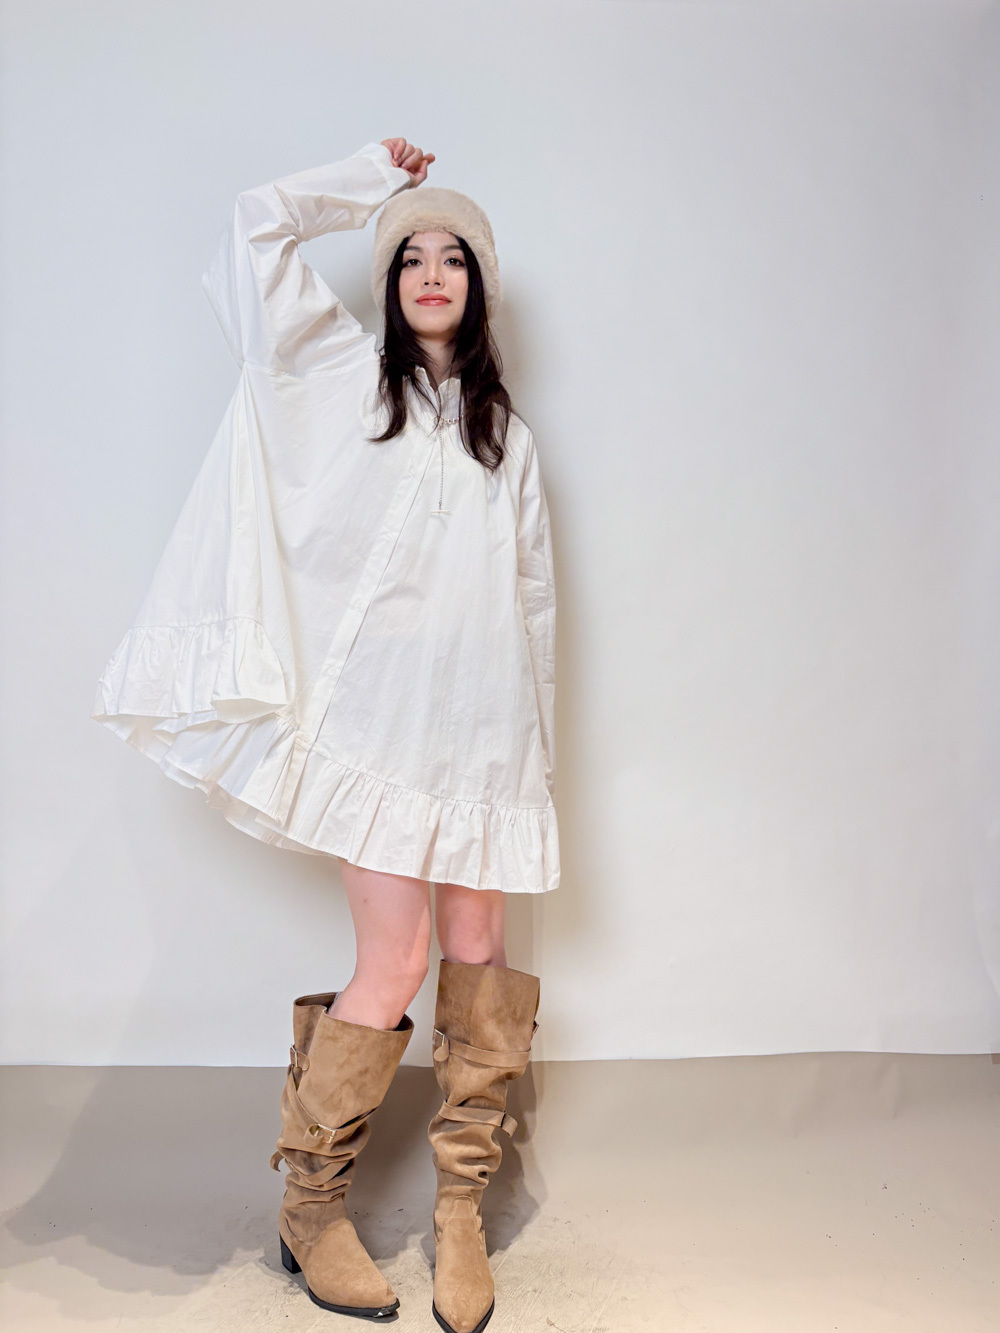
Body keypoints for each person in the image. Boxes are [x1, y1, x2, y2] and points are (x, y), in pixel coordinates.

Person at [91, 136, 559, 1332]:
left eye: (455, 257)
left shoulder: (505, 439)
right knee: (394, 962)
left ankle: (461, 1211)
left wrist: (529, 763)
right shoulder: (341, 374)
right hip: (380, 734)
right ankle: (311, 1206)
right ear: (391, 282)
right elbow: (252, 229)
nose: (433, 272)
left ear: (481, 286)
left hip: (484, 738)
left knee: (479, 952)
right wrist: (367, 182)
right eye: (412, 256)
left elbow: (532, 613)